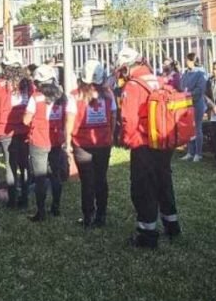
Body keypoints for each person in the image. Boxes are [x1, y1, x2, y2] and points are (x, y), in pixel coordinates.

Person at [119, 46, 181, 248]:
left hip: (144, 143)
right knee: (164, 182)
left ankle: (147, 235)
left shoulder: (133, 86)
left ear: (127, 66)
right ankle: (172, 226)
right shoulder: (158, 80)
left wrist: (129, 141)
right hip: (163, 140)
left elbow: (129, 118)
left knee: (143, 188)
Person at [66, 59, 116, 228]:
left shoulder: (75, 95)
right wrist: (111, 135)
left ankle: (88, 216)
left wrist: (67, 142)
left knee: (87, 181)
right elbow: (113, 117)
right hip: (103, 142)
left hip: (82, 143)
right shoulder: (109, 94)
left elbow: (70, 120)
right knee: (101, 179)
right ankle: (101, 216)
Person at [24, 65, 69, 221]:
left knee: (40, 178)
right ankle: (56, 208)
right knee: (56, 176)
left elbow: (26, 120)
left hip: (38, 141)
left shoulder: (35, 97)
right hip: (56, 140)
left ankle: (41, 212)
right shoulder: (62, 97)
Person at [0, 50, 32, 208]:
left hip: (6, 130)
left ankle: (12, 199)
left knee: (10, 164)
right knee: (24, 164)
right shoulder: (28, 83)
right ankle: (25, 197)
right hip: (24, 129)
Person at [180, 52, 209, 162]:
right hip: (187, 103)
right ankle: (190, 152)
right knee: (188, 128)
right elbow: (182, 85)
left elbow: (201, 89)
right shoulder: (186, 73)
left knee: (197, 128)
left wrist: (189, 94)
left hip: (197, 103)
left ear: (193, 61)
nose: (186, 62)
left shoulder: (201, 73)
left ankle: (198, 153)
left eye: (188, 60)